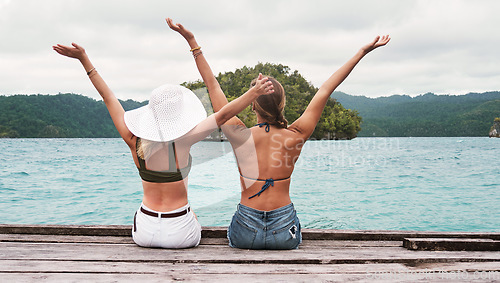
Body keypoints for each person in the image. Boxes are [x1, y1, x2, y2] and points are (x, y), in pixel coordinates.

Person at [168, 18, 390, 249]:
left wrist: (192, 42)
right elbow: (326, 88)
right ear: (282, 104)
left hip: (246, 229)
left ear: (253, 105)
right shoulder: (296, 134)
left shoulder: (239, 134)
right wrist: (362, 52)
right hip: (284, 230)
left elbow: (212, 85)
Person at [52, 38, 274, 248]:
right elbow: (223, 114)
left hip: (145, 232)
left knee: (153, 214)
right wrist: (253, 93)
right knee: (193, 214)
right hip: (180, 233)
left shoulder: (133, 140)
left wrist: (84, 60)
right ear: (179, 117)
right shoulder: (184, 142)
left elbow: (108, 97)